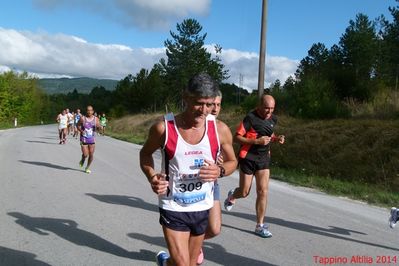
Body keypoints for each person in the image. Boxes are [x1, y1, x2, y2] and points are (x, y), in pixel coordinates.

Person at [139, 73, 237, 266]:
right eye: (199, 103)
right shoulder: (163, 128)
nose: (204, 110)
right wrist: (152, 176)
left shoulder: (220, 129)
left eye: (209, 104)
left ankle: (166, 263)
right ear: (185, 97)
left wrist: (220, 171)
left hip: (201, 206)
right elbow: (145, 155)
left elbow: (232, 161)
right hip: (173, 206)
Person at [224, 94, 285, 238]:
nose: (269, 112)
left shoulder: (273, 119)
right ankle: (233, 195)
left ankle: (260, 225)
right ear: (259, 106)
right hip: (248, 158)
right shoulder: (250, 118)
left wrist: (277, 138)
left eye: (272, 109)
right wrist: (257, 142)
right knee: (244, 192)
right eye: (266, 108)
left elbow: (269, 133)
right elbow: (236, 137)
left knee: (263, 191)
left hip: (263, 159)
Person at [197, 91, 223, 264]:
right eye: (212, 104)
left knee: (214, 229)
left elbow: (231, 161)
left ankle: (194, 242)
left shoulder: (220, 128)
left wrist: (220, 166)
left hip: (211, 184)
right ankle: (190, 246)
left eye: (218, 105)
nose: (214, 109)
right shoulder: (192, 124)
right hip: (187, 186)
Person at [77, 105, 102, 174]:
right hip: (84, 138)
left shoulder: (96, 119)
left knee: (91, 154)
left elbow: (99, 127)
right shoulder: (82, 118)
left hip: (91, 139)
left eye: (90, 110)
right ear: (86, 111)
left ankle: (87, 167)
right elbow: (78, 125)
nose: (89, 112)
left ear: (93, 111)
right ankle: (82, 160)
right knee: (85, 154)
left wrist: (99, 127)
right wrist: (82, 131)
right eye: (88, 110)